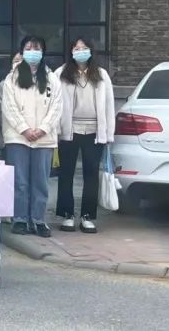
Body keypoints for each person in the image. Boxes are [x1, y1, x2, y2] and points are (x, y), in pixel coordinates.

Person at [1, 35, 63, 238]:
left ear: (43, 52)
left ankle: (38, 220)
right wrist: (24, 129)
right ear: (22, 52)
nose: (32, 52)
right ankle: (20, 219)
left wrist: (43, 129)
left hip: (44, 139)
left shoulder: (52, 78)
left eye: (36, 48)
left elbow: (56, 107)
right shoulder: (12, 78)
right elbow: (9, 107)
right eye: (28, 48)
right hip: (18, 138)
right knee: (20, 181)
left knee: (40, 182)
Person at [55, 38, 115, 234]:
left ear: (91, 51)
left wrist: (109, 133)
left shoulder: (101, 74)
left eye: (84, 48)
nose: (81, 51)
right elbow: (54, 103)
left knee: (91, 175)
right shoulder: (61, 73)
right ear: (71, 51)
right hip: (69, 130)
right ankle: (67, 215)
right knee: (66, 173)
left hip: (94, 131)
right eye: (77, 48)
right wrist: (55, 129)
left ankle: (87, 216)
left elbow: (109, 105)